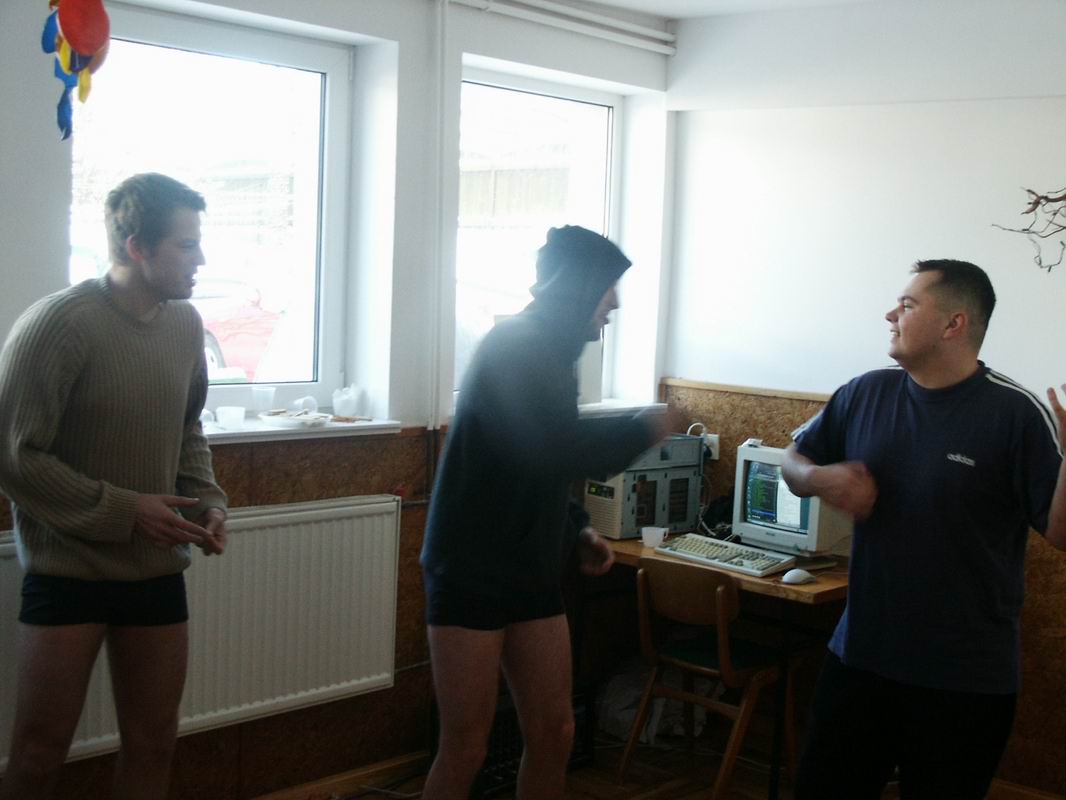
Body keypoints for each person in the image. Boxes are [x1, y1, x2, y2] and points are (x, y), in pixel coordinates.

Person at [782, 259, 1066, 799]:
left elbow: (1061, 534)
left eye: (908, 305)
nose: (890, 314)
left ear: (954, 324)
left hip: (964, 681)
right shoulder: (864, 393)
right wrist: (820, 478)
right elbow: (793, 461)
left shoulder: (1016, 413)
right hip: (859, 659)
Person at [420, 226, 680, 799]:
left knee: (555, 732)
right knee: (466, 747)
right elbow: (554, 448)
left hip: (528, 568)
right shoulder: (516, 345)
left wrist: (576, 528)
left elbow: (530, 461)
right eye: (608, 286)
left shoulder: (552, 352)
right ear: (577, 286)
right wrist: (643, 428)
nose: (615, 303)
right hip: (470, 568)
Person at [0, 173, 228, 800]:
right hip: (67, 574)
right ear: (137, 247)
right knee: (38, 753)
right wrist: (126, 511)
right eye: (187, 245)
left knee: (154, 743)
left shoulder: (186, 325)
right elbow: (14, 457)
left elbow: (187, 428)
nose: (201, 259)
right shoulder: (58, 324)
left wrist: (208, 502)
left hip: (155, 573)